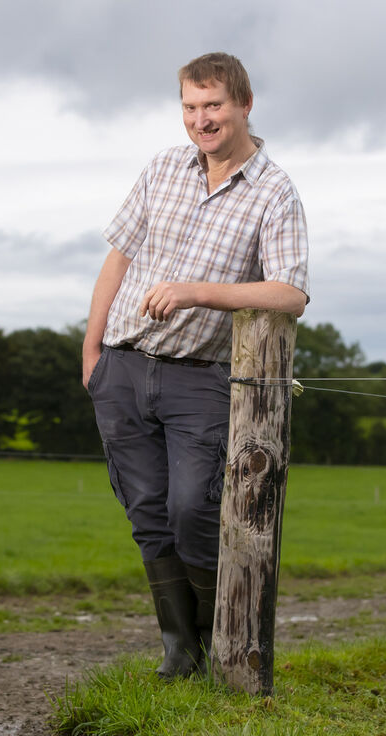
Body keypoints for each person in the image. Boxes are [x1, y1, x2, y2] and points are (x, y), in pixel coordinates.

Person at [82, 52, 309, 678]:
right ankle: (179, 654)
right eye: (189, 106)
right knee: (147, 512)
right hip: (123, 370)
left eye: (213, 105)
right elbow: (119, 257)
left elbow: (289, 292)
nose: (201, 120)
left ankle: (223, 646)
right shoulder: (162, 168)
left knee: (192, 508)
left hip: (198, 377)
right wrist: (92, 352)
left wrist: (198, 289)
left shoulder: (274, 191)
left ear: (244, 104)